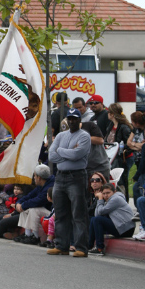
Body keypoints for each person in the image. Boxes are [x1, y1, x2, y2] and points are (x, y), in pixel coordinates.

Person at [48, 108, 91, 257]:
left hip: (76, 177)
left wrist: (60, 151)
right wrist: (66, 152)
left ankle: (81, 247)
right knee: (60, 213)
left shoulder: (84, 136)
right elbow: (52, 155)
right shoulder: (60, 135)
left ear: (79, 120)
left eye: (74, 119)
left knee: (78, 213)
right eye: (69, 119)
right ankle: (61, 245)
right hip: (60, 177)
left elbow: (78, 154)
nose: (72, 121)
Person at [89, 182, 135, 255]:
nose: (106, 195)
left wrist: (100, 199)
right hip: (120, 226)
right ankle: (89, 246)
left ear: (114, 192)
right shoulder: (108, 200)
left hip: (126, 229)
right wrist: (101, 200)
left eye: (108, 193)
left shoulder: (116, 199)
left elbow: (100, 212)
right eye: (103, 193)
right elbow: (97, 214)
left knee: (97, 220)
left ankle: (99, 248)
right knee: (93, 219)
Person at [13, 164, 55, 245]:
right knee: (25, 208)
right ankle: (27, 234)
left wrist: (23, 205)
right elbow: (30, 195)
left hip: (51, 213)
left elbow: (38, 201)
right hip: (44, 211)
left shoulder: (50, 186)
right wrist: (19, 203)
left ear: (39, 177)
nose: (34, 178)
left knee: (33, 209)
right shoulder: (41, 184)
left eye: (35, 176)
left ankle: (35, 237)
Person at [104, 103, 133, 201]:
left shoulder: (124, 127)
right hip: (112, 157)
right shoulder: (111, 125)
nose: (107, 114)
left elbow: (130, 144)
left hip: (122, 158)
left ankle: (124, 200)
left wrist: (121, 149)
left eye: (109, 112)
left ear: (112, 114)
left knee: (121, 180)